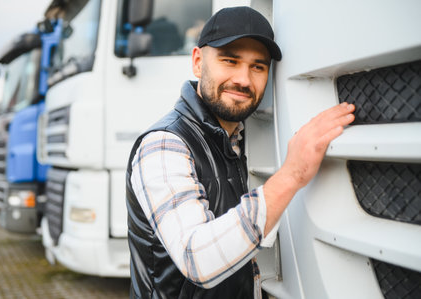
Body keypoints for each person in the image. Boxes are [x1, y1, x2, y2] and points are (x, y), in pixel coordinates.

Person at [126, 6, 355, 299]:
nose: (244, 80)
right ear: (198, 62)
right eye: (230, 61)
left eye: (257, 67)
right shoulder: (163, 145)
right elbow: (197, 259)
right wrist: (293, 174)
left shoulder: (240, 138)